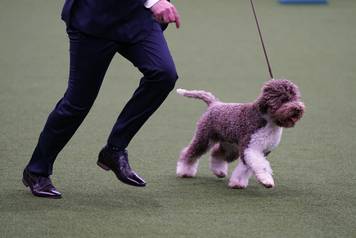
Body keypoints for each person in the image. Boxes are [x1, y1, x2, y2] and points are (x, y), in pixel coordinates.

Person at [22, 0, 181, 198]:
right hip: (94, 18)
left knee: (163, 75)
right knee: (77, 103)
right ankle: (36, 171)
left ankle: (114, 149)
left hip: (137, 18)